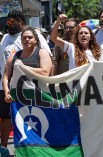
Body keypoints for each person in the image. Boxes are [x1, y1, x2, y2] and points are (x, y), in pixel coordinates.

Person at [0, 10, 51, 149]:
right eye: (7, 22)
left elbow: (47, 62)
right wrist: (5, 88)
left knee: (32, 116)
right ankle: (4, 148)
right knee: (6, 117)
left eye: (11, 22)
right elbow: (3, 65)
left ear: (21, 21)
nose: (8, 25)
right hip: (8, 86)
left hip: (31, 88)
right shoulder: (5, 38)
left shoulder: (36, 36)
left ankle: (37, 146)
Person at [3, 27, 52, 104]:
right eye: (24, 38)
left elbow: (45, 72)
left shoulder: (42, 53)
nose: (27, 39)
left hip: (39, 99)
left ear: (35, 40)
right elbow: (6, 77)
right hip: (18, 100)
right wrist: (6, 92)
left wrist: (23, 67)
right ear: (21, 41)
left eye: (30, 37)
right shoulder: (13, 56)